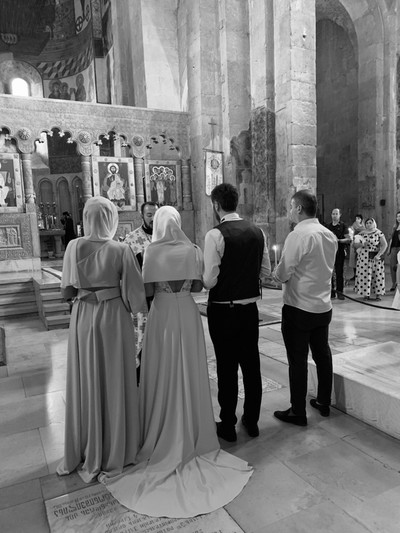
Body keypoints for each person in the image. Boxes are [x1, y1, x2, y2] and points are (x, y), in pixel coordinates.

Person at [102, 206, 252, 518]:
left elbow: (146, 291)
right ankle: (194, 428)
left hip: (162, 315)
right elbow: (198, 286)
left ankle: (161, 427)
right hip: (186, 312)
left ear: (158, 224)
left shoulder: (152, 251)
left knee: (162, 370)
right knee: (191, 369)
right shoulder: (193, 249)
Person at [57, 197, 146, 483]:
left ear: (86, 217)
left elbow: (67, 292)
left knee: (87, 377)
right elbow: (136, 299)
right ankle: (116, 445)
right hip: (113, 318)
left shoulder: (74, 246)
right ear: (111, 219)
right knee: (115, 377)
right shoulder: (121, 249)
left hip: (83, 316)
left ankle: (87, 445)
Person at [203, 183, 271, 442]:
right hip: (249, 310)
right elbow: (265, 271)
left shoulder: (215, 235)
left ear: (216, 205)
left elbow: (210, 281)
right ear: (236, 202)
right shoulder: (258, 232)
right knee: (251, 366)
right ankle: (251, 421)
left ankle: (228, 425)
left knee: (226, 367)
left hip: (223, 310)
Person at [273, 190, 337, 426]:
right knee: (323, 355)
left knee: (297, 360)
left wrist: (275, 274)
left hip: (299, 308)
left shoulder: (298, 235)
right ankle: (323, 401)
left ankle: (298, 412)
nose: (290, 211)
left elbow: (284, 271)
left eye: (292, 207)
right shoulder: (329, 234)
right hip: (323, 306)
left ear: (299, 208)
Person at [124, 201, 158, 381]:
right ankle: (141, 377)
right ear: (142, 216)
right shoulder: (132, 239)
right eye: (149, 215)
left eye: (155, 214)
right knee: (141, 339)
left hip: (162, 296)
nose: (153, 219)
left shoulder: (165, 236)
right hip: (141, 298)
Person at [354, 217, 387, 301]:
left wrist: (379, 255)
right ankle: (366, 293)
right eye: (367, 223)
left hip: (375, 256)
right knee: (365, 275)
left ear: (373, 223)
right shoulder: (362, 233)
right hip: (363, 257)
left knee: (377, 275)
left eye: (370, 223)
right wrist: (362, 244)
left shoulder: (378, 232)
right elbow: (354, 245)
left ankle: (378, 294)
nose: (368, 224)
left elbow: (384, 245)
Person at [326, 208, 350, 300]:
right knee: (330, 272)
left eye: (336, 214)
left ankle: (340, 292)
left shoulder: (343, 226)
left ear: (340, 215)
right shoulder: (328, 226)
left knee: (339, 272)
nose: (334, 215)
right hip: (329, 252)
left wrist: (338, 240)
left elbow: (348, 239)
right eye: (333, 213)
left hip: (339, 251)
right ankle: (331, 292)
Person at [348, 214, 365, 280]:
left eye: (358, 218)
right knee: (353, 260)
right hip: (353, 243)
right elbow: (350, 234)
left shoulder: (363, 228)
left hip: (360, 245)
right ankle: (354, 274)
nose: (357, 220)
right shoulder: (353, 226)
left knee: (359, 259)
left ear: (361, 220)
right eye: (356, 218)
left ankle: (360, 274)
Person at [386, 210, 400, 291]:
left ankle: (398, 283)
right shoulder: (395, 227)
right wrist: (389, 249)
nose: (398, 218)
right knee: (392, 266)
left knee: (399, 266)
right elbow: (391, 239)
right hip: (394, 248)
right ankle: (394, 283)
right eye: (397, 216)